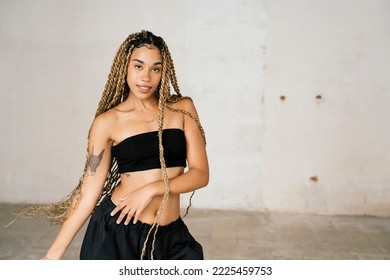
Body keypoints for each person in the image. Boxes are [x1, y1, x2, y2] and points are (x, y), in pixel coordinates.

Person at [11, 30, 209, 260]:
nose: (146, 77)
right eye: (138, 66)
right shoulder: (107, 123)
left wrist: (151, 189)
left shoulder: (182, 109)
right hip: (118, 235)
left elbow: (200, 174)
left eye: (155, 68)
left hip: (172, 237)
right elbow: (88, 193)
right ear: (124, 66)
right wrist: (52, 257)